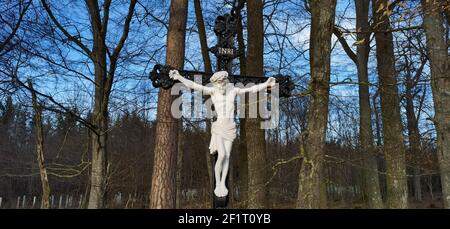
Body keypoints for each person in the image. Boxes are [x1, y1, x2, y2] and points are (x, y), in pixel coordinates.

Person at [169, 69, 276, 197]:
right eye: (218, 82)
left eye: (222, 82)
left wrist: (266, 84)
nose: (220, 84)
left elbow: (251, 90)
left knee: (227, 156)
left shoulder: (233, 90)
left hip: (230, 126)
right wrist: (179, 77)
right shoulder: (213, 91)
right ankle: (218, 183)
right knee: (222, 155)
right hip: (219, 126)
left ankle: (222, 184)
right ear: (215, 82)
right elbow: (194, 85)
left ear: (225, 81)